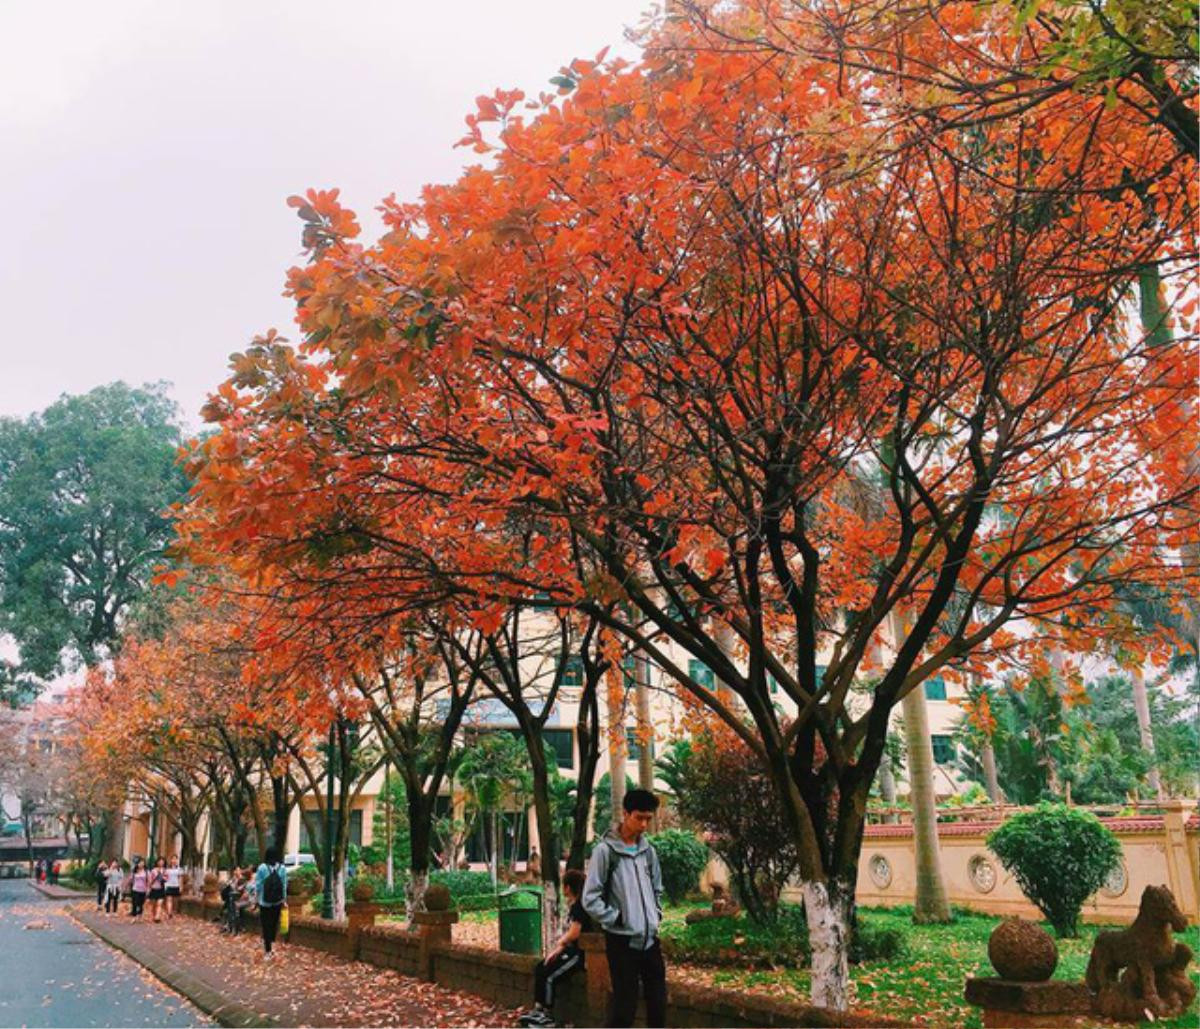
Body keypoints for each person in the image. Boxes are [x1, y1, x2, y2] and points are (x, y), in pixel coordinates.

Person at [582, 789, 665, 1029]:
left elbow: (657, 888)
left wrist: (656, 914)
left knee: (658, 1006)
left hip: (650, 941)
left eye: (648, 819)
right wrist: (616, 920)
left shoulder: (648, 852)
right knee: (623, 1010)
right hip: (622, 942)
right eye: (639, 818)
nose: (643, 824)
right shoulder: (605, 852)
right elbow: (590, 898)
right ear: (625, 813)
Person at [519, 868, 592, 1028]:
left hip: (577, 955)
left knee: (551, 976)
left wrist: (560, 944)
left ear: (568, 887)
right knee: (541, 967)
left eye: (564, 886)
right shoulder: (574, 906)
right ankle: (538, 1009)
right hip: (568, 950)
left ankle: (548, 1015)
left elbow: (574, 933)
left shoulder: (581, 906)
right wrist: (558, 950)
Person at [253, 846, 287, 959]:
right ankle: (271, 944)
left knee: (266, 925)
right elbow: (284, 885)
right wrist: (284, 900)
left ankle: (268, 950)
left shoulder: (262, 868)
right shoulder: (282, 868)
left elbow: (257, 885)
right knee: (273, 924)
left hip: (264, 902)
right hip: (277, 901)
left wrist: (256, 899)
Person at [147, 857, 168, 922]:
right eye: (160, 861)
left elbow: (166, 879)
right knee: (153, 904)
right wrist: (149, 887)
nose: (161, 863)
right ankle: (153, 915)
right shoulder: (153, 870)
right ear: (157, 862)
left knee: (159, 903)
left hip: (161, 888)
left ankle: (157, 916)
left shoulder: (165, 870)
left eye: (162, 861)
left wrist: (162, 877)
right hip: (154, 888)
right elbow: (150, 879)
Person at [164, 855, 182, 919]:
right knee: (169, 899)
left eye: (175, 859)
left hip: (176, 885)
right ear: (170, 860)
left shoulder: (179, 869)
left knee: (175, 901)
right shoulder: (167, 869)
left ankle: (173, 911)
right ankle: (169, 913)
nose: (174, 860)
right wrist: (165, 885)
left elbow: (180, 878)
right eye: (172, 859)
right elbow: (165, 877)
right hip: (169, 885)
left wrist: (180, 886)